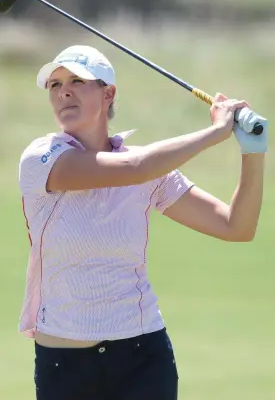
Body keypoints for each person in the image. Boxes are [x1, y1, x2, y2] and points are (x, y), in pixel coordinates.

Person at [18, 45, 267, 400]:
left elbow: (235, 227)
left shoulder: (151, 170)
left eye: (77, 80)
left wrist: (253, 150)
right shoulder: (42, 158)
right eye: (54, 85)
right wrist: (215, 133)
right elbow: (134, 170)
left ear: (108, 94)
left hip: (142, 356)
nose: (64, 91)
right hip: (64, 363)